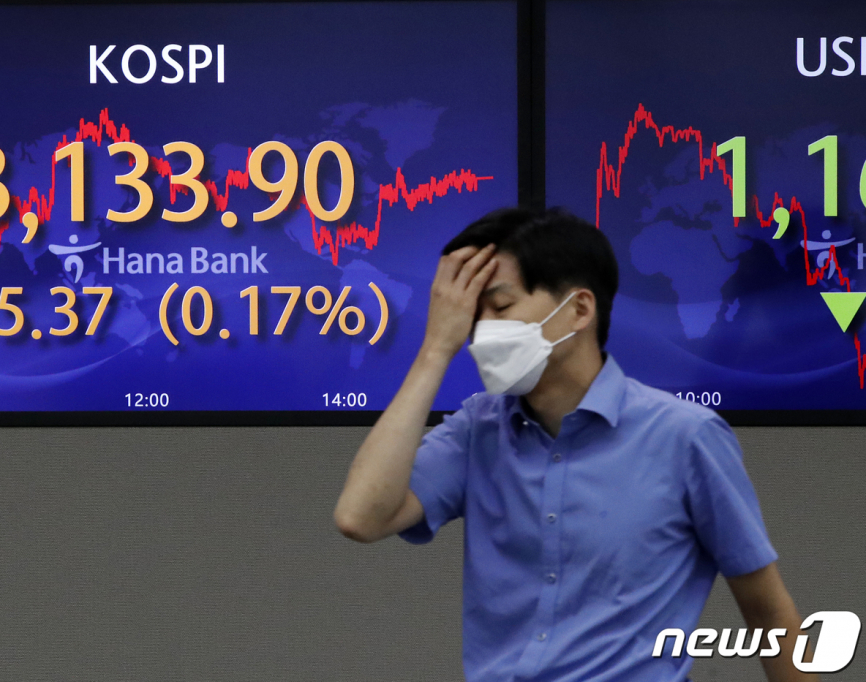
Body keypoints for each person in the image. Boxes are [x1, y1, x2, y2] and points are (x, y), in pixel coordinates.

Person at [333, 208, 818, 682]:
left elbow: (767, 610)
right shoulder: (477, 429)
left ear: (579, 310)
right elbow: (360, 517)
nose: (480, 332)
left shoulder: (684, 436)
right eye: (472, 315)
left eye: (499, 308)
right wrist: (435, 348)